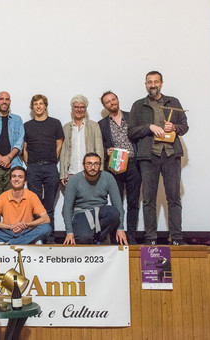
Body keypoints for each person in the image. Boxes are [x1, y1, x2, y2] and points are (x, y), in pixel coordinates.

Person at [128, 71, 189, 245]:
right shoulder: (138, 105)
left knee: (174, 198)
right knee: (148, 199)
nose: (152, 85)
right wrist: (149, 127)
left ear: (161, 83)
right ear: (145, 84)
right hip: (149, 157)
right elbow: (131, 132)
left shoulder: (173, 102)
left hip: (171, 155)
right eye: (149, 82)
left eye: (156, 82)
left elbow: (185, 126)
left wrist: (175, 127)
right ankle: (150, 239)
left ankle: (177, 238)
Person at [98, 91, 141, 245]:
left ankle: (131, 236)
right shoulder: (101, 124)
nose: (112, 103)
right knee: (117, 203)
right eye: (108, 102)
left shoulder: (132, 117)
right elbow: (100, 146)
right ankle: (117, 236)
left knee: (133, 202)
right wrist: (105, 151)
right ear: (105, 106)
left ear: (117, 99)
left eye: (113, 99)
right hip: (115, 165)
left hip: (133, 164)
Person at [23, 94, 64, 244]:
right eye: (35, 104)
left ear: (45, 105)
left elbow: (59, 144)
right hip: (33, 168)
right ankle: (36, 237)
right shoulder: (27, 125)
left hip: (51, 167)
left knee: (49, 205)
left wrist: (52, 158)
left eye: (41, 104)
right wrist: (30, 164)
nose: (38, 106)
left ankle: (50, 237)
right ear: (32, 107)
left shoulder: (55, 123)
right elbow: (24, 148)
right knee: (35, 205)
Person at [62, 153, 127, 245]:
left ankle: (99, 237)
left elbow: (118, 204)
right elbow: (67, 208)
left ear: (100, 165)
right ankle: (90, 236)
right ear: (83, 165)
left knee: (113, 212)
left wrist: (120, 228)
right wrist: (69, 232)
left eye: (96, 164)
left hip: (101, 212)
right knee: (83, 239)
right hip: (82, 213)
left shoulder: (108, 178)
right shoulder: (74, 180)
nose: (93, 167)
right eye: (89, 164)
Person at [0, 166, 51, 245]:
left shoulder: (32, 196)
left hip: (26, 230)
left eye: (20, 177)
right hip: (8, 231)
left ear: (25, 181)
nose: (16, 179)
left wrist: (26, 225)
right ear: (11, 180)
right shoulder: (3, 196)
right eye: (14, 176)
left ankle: (8, 243)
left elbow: (46, 219)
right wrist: (10, 226)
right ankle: (29, 241)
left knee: (46, 228)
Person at [60, 95, 103, 187]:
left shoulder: (94, 126)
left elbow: (99, 149)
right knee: (72, 201)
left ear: (86, 108)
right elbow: (63, 153)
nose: (79, 110)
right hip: (71, 173)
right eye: (76, 107)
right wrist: (63, 174)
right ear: (72, 108)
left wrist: (100, 172)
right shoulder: (66, 128)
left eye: (82, 107)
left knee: (91, 200)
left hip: (90, 172)